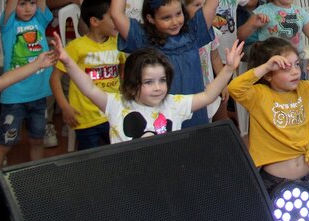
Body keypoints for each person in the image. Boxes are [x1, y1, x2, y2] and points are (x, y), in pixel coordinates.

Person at [110, 0, 224, 128]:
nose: (175, 21)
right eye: (166, 17)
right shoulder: (142, 38)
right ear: (150, 19)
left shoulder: (192, 33)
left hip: (193, 113)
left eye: (178, 14)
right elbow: (117, 14)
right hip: (159, 117)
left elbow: (211, 3)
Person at [57, 35, 241, 143]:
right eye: (148, 82)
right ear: (132, 83)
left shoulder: (174, 104)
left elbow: (208, 95)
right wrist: (67, 62)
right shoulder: (116, 104)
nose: (158, 88)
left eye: (162, 80)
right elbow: (89, 88)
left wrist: (228, 69)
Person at [229, 37, 309, 192]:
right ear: (268, 75)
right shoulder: (259, 95)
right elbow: (235, 88)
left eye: (296, 64)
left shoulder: (303, 89)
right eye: (286, 68)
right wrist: (266, 66)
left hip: (304, 177)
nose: (295, 72)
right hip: (274, 182)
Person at [0, 0, 52, 176]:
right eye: (22, 4)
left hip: (38, 95)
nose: (28, 8)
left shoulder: (40, 19)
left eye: (32, 3)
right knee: (4, 145)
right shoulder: (9, 25)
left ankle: (37, 179)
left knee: (37, 141)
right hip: (14, 98)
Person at [49, 0, 124, 151]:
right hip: (85, 118)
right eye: (112, 17)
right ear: (94, 21)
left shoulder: (118, 43)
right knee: (90, 161)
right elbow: (55, 78)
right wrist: (64, 106)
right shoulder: (76, 47)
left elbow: (123, 70)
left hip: (113, 114)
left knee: (118, 155)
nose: (118, 20)